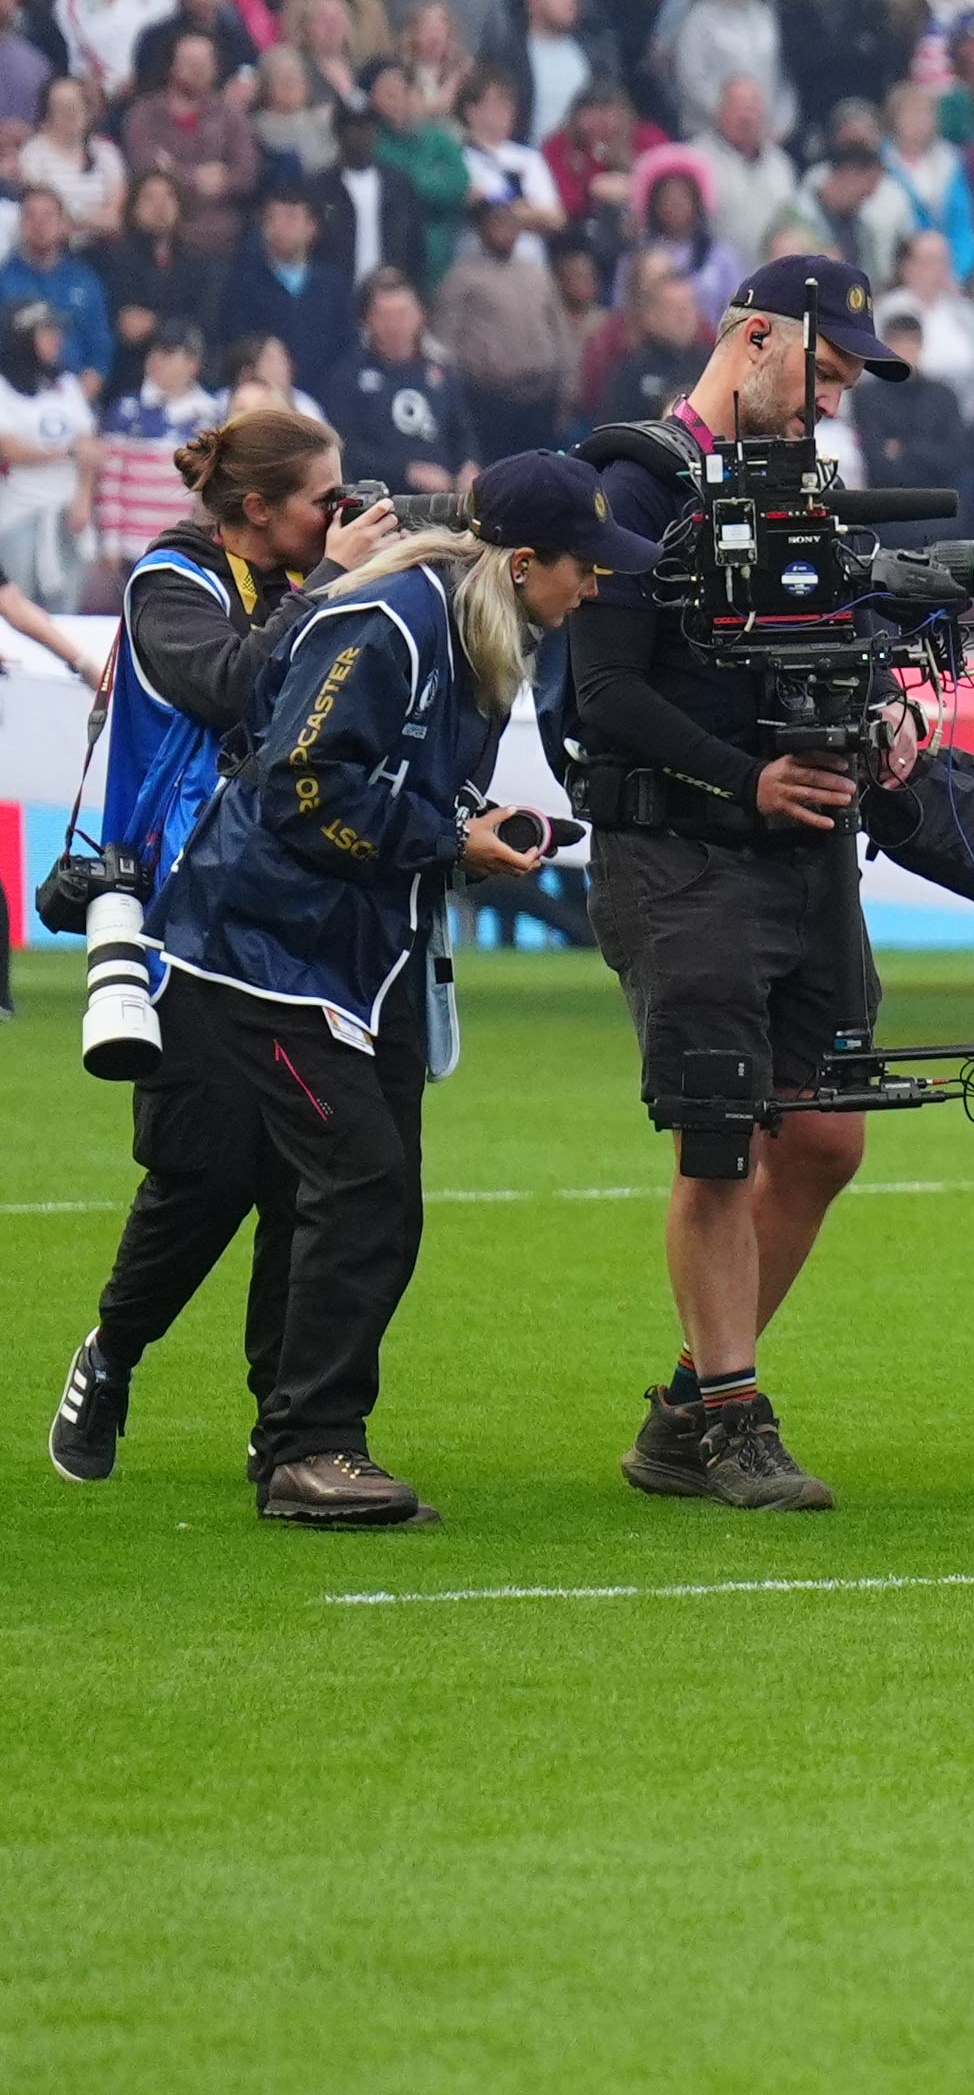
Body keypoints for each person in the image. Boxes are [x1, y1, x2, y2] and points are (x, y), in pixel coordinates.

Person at [94, 458, 606, 1522]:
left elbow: (388, 777)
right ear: (521, 562)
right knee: (355, 1182)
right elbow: (300, 789)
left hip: (349, 957)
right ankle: (306, 1448)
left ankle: (298, 1434)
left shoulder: (466, 623)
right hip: (262, 953)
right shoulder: (393, 615)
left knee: (366, 1189)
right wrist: (445, 836)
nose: (594, 588)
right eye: (586, 567)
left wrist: (473, 830)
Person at [548, 252, 923, 1519]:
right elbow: (607, 694)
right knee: (717, 1144)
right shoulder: (632, 482)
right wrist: (743, 778)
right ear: (752, 338)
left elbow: (833, 639)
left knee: (824, 1133)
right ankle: (733, 1414)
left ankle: (685, 1410)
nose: (830, 403)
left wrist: (883, 714)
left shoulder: (802, 498)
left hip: (805, 850)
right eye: (820, 371)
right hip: (680, 850)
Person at [39, 412, 359, 1486]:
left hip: (303, 916)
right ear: (257, 509)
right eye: (324, 498)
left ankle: (292, 1426)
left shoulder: (323, 576)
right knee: (205, 1165)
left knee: (309, 1173)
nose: (340, 515)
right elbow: (232, 684)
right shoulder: (170, 582)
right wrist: (330, 591)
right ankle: (114, 1350)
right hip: (181, 923)